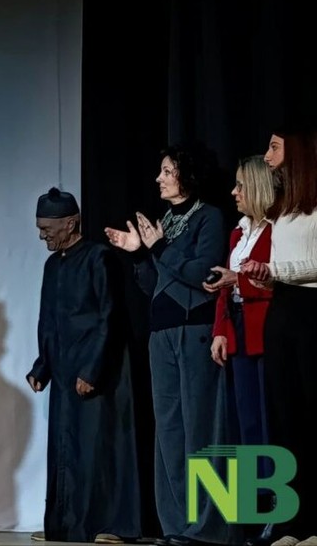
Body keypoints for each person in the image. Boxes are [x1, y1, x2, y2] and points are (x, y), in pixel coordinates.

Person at [105, 145, 235, 546]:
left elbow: (205, 274)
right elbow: (152, 285)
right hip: (161, 333)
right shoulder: (164, 221)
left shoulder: (209, 217)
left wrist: (159, 248)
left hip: (195, 330)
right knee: (170, 432)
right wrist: (138, 256)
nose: (158, 178)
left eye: (167, 171)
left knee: (203, 429)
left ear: (187, 174)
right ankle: (177, 525)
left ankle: (212, 527)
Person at [27, 188, 140, 544]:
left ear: (71, 223)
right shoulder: (52, 265)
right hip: (63, 370)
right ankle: (66, 525)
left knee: (96, 449)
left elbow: (110, 316)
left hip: (97, 371)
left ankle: (106, 525)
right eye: (40, 228)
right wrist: (42, 367)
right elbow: (48, 321)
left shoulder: (98, 258)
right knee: (65, 447)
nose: (42, 235)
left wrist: (92, 369)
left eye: (47, 228)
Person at [240, 127, 317, 546]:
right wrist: (261, 274)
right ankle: (293, 525)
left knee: (310, 416)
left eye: (274, 147)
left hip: (310, 312)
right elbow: (278, 266)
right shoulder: (282, 210)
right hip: (282, 312)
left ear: (297, 151)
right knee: (285, 420)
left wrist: (275, 270)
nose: (267, 156)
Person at [204, 155, 276, 543]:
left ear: (258, 188)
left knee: (266, 425)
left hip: (264, 334)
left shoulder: (276, 230)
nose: (234, 192)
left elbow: (279, 284)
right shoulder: (238, 233)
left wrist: (239, 282)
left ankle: (276, 512)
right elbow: (225, 285)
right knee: (245, 426)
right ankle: (250, 515)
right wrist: (220, 331)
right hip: (237, 334)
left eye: (240, 186)